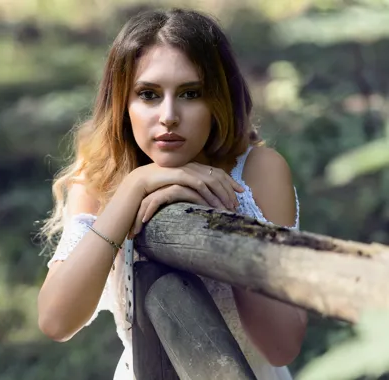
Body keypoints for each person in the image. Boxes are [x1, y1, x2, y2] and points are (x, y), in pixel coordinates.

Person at [37, 7, 308, 380]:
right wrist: (133, 188)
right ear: (122, 103)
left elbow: (282, 346)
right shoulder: (100, 173)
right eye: (148, 94)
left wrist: (228, 221)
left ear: (218, 100)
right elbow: (55, 320)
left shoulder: (259, 171)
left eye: (190, 93)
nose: (168, 115)